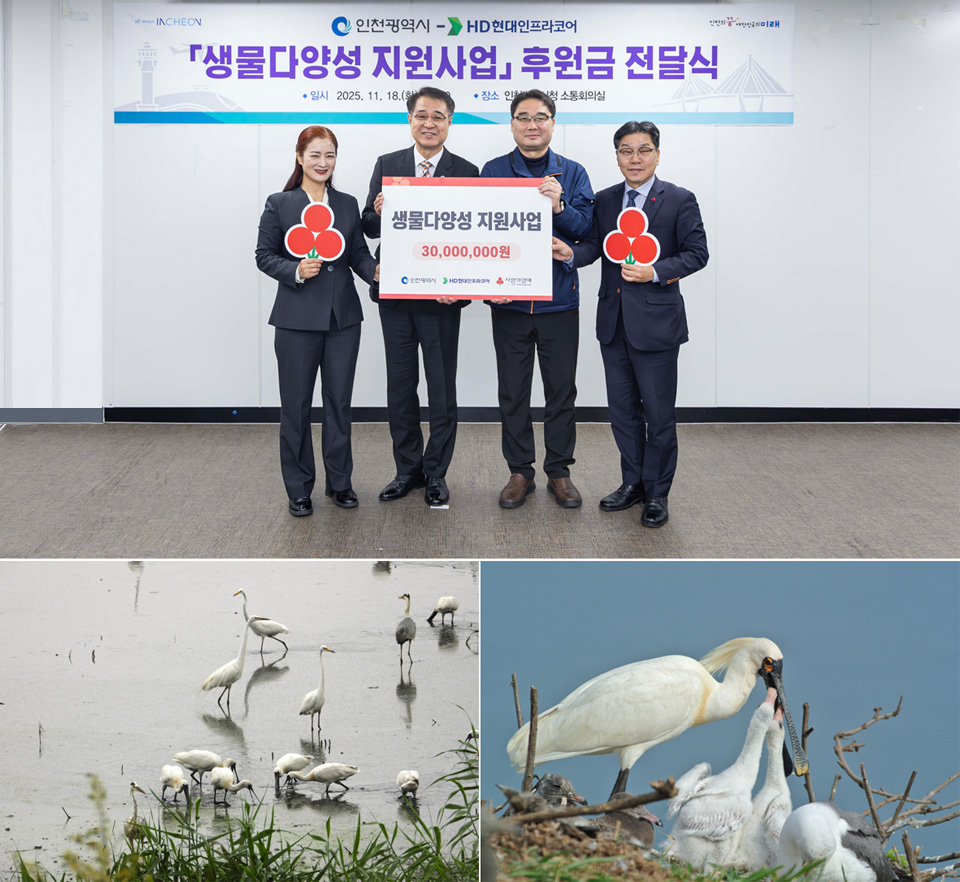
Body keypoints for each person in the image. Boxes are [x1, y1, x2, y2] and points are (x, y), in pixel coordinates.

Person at [552, 120, 708, 527]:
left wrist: (655, 271)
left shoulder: (678, 199)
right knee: (622, 413)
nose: (634, 159)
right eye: (625, 150)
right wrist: (568, 252)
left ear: (657, 154)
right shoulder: (605, 200)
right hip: (614, 324)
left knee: (657, 415)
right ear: (617, 155)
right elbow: (592, 248)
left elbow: (697, 253)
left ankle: (658, 493)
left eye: (643, 150)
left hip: (656, 326)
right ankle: (633, 482)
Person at [362, 87, 479, 507]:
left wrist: (462, 287)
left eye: (439, 116)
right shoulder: (387, 164)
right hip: (395, 292)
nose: (429, 123)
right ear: (410, 120)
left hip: (441, 299)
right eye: (422, 115)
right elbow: (368, 226)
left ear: (450, 122)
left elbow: (475, 236)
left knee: (442, 388)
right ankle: (406, 470)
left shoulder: (467, 170)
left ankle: (436, 473)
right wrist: (377, 209)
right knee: (400, 386)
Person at [480, 89, 594, 509]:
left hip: (559, 302)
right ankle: (520, 472)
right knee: (512, 391)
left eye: (541, 117)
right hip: (509, 302)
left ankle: (559, 472)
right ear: (512, 124)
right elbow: (478, 230)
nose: (532, 124)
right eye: (524, 117)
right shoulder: (492, 171)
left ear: (552, 123)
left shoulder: (573, 172)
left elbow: (586, 232)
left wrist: (558, 206)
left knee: (561, 391)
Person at [256, 125, 379, 515]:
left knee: (339, 404)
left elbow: (357, 253)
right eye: (315, 155)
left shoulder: (346, 203)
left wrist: (376, 271)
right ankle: (298, 488)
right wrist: (294, 270)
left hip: (343, 319)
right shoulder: (280, 203)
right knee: (295, 406)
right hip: (295, 321)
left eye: (329, 155)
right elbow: (263, 255)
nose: (322, 163)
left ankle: (339, 483)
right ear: (299, 157)